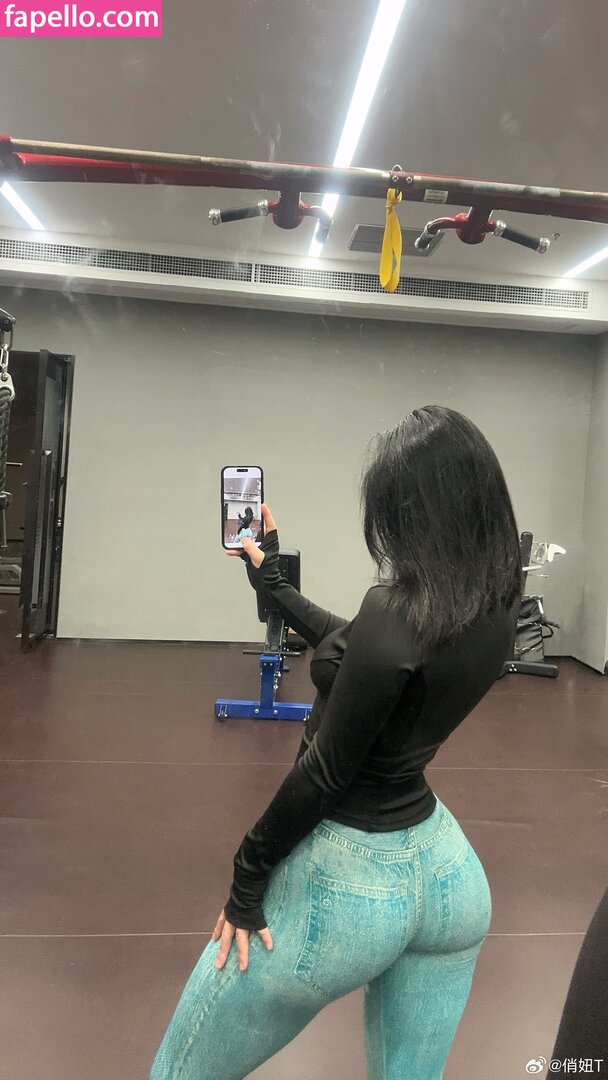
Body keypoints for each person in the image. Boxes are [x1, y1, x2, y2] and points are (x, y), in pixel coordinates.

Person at [150, 406, 523, 1080]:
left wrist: (247, 875)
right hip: (449, 877)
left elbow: (323, 773)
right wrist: (273, 585)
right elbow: (356, 648)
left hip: (352, 882)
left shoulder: (397, 610)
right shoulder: (494, 604)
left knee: (178, 1072)